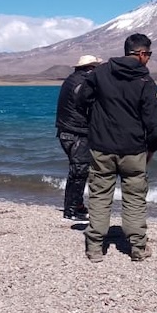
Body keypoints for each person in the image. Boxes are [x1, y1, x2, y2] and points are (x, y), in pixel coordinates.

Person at [77, 33, 157, 262]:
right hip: (134, 149)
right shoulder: (145, 81)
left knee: (99, 195)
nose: (149, 59)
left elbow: (81, 99)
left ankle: (95, 248)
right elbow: (155, 122)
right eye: (149, 55)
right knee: (134, 197)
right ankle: (137, 247)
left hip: (101, 147)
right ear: (142, 54)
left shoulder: (101, 73)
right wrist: (152, 148)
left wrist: (94, 119)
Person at [55, 54, 103, 222]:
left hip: (65, 131)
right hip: (77, 132)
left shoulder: (70, 80)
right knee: (79, 171)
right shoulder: (83, 83)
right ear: (90, 68)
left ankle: (76, 206)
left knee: (76, 171)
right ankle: (72, 210)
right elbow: (88, 102)